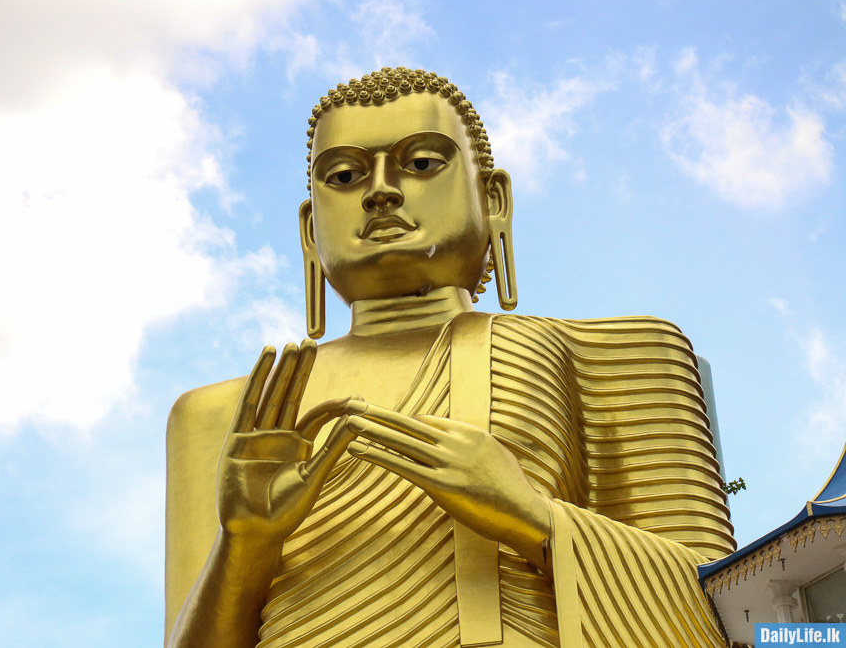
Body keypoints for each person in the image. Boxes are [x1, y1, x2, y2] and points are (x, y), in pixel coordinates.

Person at [165, 67, 735, 648]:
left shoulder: (616, 354)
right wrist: (246, 546)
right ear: (311, 230)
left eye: (420, 164)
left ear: (493, 199)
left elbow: (719, 608)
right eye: (343, 175)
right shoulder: (228, 414)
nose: (380, 191)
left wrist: (528, 516)